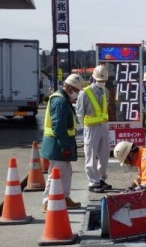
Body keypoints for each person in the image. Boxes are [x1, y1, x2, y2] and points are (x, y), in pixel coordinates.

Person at [40, 74, 85, 212]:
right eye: (77, 90)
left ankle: (65, 197)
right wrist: (65, 146)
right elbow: (58, 126)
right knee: (56, 173)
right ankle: (47, 201)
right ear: (70, 88)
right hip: (57, 144)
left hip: (60, 143)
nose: (77, 94)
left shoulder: (63, 99)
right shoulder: (60, 102)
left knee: (66, 172)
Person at [76, 65, 112, 193]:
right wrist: (84, 127)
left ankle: (101, 178)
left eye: (103, 81)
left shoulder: (105, 91)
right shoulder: (84, 93)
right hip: (91, 128)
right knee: (91, 155)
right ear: (93, 78)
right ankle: (93, 182)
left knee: (104, 154)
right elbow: (79, 113)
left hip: (103, 126)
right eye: (100, 80)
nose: (101, 82)